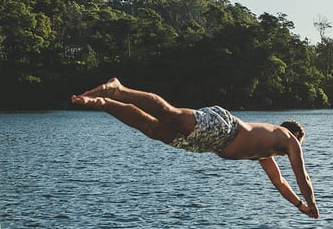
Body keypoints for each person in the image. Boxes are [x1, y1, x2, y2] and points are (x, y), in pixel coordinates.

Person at [71, 78, 319, 218]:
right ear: (297, 134)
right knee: (171, 115)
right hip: (225, 128)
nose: (298, 148)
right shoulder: (288, 137)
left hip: (209, 144)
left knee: (155, 131)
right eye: (300, 142)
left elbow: (280, 183)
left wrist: (300, 207)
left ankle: (104, 102)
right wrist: (313, 204)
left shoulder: (267, 152)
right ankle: (120, 90)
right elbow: (302, 176)